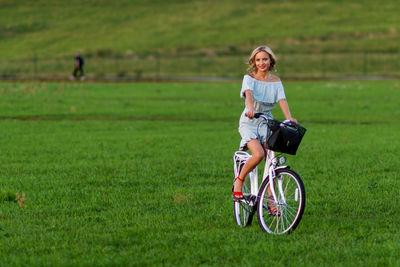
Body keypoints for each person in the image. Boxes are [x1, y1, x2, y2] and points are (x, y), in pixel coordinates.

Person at [232, 45, 298, 204]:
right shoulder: (249, 78)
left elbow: (281, 99)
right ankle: (239, 181)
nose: (262, 63)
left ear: (270, 61)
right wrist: (250, 108)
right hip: (249, 121)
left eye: (265, 59)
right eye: (258, 60)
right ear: (254, 62)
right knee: (259, 154)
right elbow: (249, 94)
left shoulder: (276, 81)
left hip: (266, 122)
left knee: (272, 160)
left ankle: (270, 199)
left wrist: (289, 118)